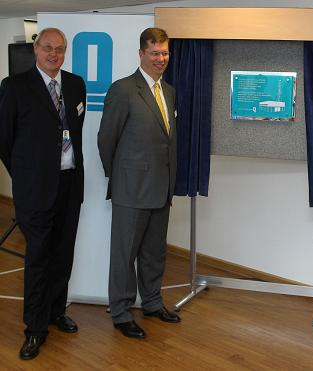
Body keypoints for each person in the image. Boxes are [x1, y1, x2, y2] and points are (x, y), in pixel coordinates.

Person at [0, 28, 86, 360]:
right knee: (38, 258)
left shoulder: (77, 85)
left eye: (60, 49)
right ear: (36, 49)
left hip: (69, 185)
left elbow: (74, 132)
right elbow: (4, 141)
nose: (54, 54)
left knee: (63, 254)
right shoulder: (16, 86)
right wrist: (25, 175)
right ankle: (34, 328)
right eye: (48, 48)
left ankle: (54, 312)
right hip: (34, 190)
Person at [97, 27, 179, 339]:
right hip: (130, 190)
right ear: (141, 54)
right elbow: (106, 140)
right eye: (155, 53)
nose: (161, 58)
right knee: (124, 255)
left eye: (165, 52)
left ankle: (153, 303)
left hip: (161, 188)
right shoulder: (123, 90)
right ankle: (120, 311)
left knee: (154, 253)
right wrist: (119, 177)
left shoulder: (168, 91)